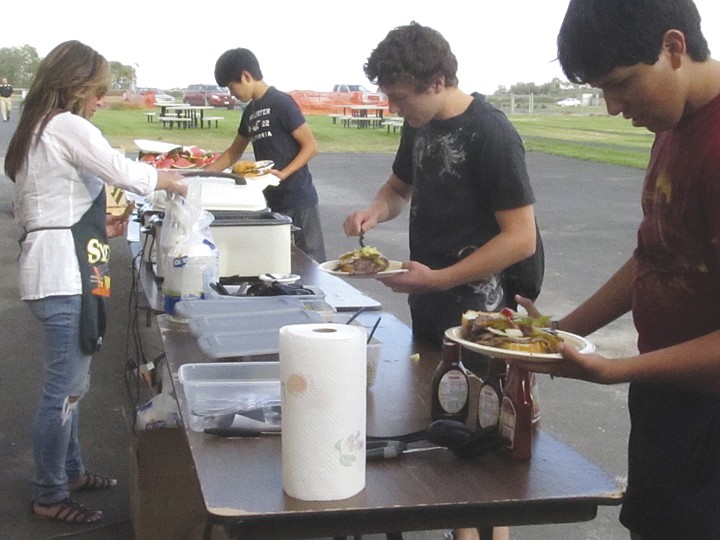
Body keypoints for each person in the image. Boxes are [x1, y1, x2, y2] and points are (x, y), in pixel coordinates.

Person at [512, 1, 720, 539]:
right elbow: (656, 255)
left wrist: (616, 368)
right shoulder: (673, 126)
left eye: (621, 84)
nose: (611, 107)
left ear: (674, 48)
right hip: (668, 399)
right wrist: (557, 333)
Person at [343, 22, 544, 540]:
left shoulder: (492, 133)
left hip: (483, 320)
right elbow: (398, 186)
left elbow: (520, 238)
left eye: (399, 97)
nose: (393, 108)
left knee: (486, 459)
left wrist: (440, 279)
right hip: (432, 311)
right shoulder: (419, 124)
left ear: (437, 81)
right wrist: (374, 211)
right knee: (446, 442)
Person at [6, 40, 186, 524]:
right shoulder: (66, 124)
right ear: (76, 87)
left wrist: (99, 223)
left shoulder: (34, 130)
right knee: (63, 388)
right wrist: (172, 181)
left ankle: (71, 469)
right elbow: (121, 171)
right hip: (61, 272)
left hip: (58, 265)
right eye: (98, 92)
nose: (101, 101)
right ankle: (49, 491)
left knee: (74, 385)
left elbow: (44, 207)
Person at [206, 47, 327, 262]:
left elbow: (310, 147)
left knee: (310, 266)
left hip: (298, 199)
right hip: (270, 202)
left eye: (231, 86)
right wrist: (201, 176)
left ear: (246, 76)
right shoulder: (250, 112)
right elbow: (233, 152)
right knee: (279, 265)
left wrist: (284, 173)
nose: (231, 93)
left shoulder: (281, 102)